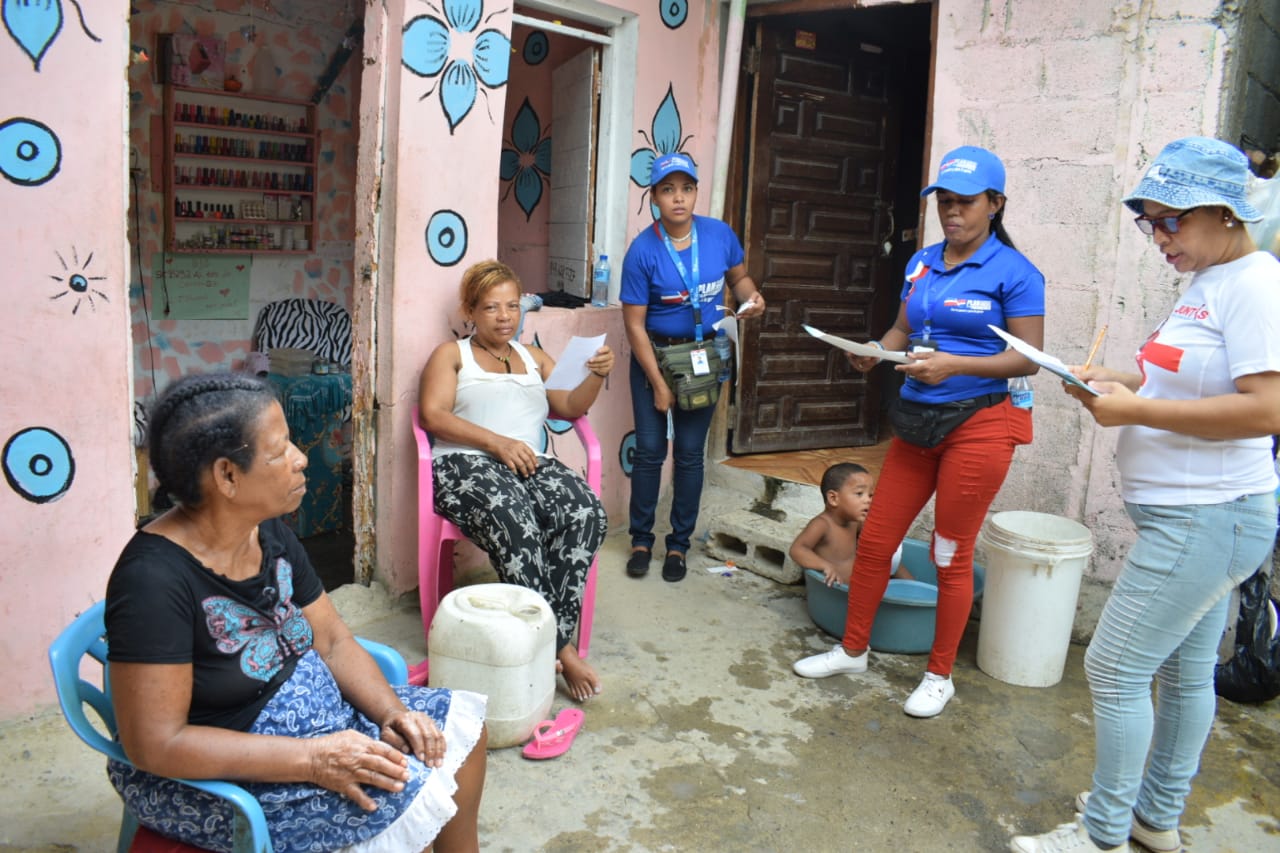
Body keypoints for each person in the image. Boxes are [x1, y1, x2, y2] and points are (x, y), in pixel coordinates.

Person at [1010, 138, 1280, 852]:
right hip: (1196, 519)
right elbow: (1183, 381)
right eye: (1150, 223)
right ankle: (1154, 819)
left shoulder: (1256, 284)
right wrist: (1117, 381)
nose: (1159, 238)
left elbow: (1267, 409)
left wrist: (1137, 411)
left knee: (1113, 666)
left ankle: (1102, 835)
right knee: (1185, 674)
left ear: (1225, 212)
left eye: (1171, 221)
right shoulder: (1208, 280)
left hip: (1208, 518)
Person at [105, 373, 488, 853]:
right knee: (400, 794)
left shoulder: (265, 530)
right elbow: (157, 745)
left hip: (321, 726)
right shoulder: (152, 582)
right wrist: (313, 759)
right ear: (227, 476)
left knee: (454, 739)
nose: (300, 458)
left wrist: (392, 712)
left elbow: (332, 640)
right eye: (280, 450)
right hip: (220, 771)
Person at [792, 145, 1043, 719]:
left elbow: (1029, 360)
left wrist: (954, 365)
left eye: (965, 202)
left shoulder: (1016, 273)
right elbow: (903, 329)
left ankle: (939, 675)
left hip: (979, 425)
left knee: (949, 552)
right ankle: (852, 649)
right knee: (877, 540)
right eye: (944, 201)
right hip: (918, 420)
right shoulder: (923, 263)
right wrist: (874, 351)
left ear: (995, 204)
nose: (952, 212)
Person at [419, 259, 612, 702]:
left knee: (586, 514)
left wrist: (597, 375)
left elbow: (571, 406)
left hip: (528, 462)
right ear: (471, 310)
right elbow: (432, 415)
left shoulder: (534, 358)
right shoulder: (452, 355)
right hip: (466, 464)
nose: (504, 316)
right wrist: (497, 442)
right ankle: (562, 649)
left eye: (512, 306)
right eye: (491, 307)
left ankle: (547, 642)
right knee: (514, 521)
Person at [620, 151, 766, 582]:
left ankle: (678, 546)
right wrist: (658, 384)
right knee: (650, 453)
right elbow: (633, 325)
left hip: (703, 360)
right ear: (654, 197)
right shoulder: (642, 251)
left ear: (696, 192)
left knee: (688, 455)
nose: (678, 198)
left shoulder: (719, 235)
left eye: (686, 188)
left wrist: (752, 297)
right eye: (668, 190)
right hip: (655, 358)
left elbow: (739, 278)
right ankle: (641, 540)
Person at [789, 462, 911, 587]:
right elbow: (797, 550)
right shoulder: (822, 525)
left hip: (860, 585)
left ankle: (913, 588)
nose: (868, 500)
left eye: (870, 495)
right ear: (833, 498)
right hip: (835, 590)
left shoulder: (854, 522)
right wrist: (824, 565)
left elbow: (877, 538)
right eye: (859, 494)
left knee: (891, 559)